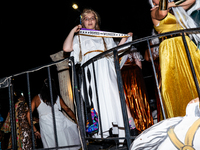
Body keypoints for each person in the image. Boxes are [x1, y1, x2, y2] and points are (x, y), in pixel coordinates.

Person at [63, 8, 136, 142]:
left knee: (114, 95)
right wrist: (73, 30)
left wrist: (125, 39)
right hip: (91, 70)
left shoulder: (104, 35)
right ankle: (105, 134)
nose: (90, 21)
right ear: (82, 22)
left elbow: (114, 51)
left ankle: (124, 130)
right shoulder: (79, 37)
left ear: (96, 20)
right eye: (86, 19)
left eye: (92, 18)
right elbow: (66, 48)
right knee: (97, 99)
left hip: (106, 68)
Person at [149, 0, 200, 118]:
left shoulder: (178, 9)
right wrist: (168, 4)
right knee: (174, 85)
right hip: (170, 49)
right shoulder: (154, 12)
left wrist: (171, 4)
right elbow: (162, 13)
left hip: (186, 45)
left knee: (195, 78)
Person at [27, 79, 80, 150]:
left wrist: (35, 130)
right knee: (63, 143)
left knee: (51, 145)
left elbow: (28, 114)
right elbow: (67, 109)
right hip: (59, 124)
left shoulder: (36, 98)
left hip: (46, 128)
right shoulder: (57, 98)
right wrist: (76, 119)